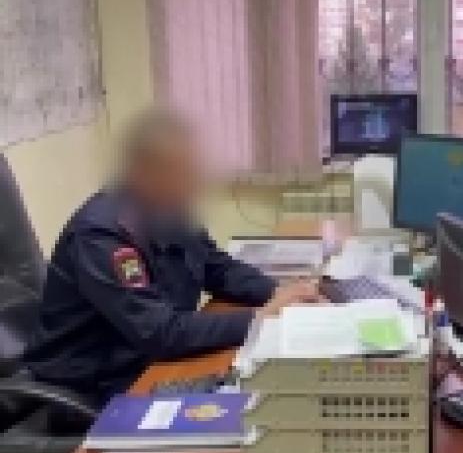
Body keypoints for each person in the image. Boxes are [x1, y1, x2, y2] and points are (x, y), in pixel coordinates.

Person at [24, 108, 322, 405]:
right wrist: (261, 318)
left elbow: (217, 267)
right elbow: (160, 332)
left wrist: (280, 293)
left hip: (147, 364)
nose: (196, 181)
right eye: (184, 172)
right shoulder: (102, 236)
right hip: (94, 388)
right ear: (144, 173)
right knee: (249, 407)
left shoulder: (168, 207)